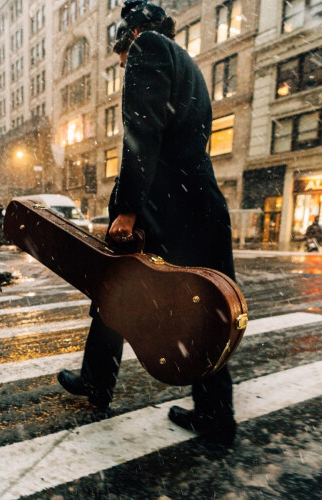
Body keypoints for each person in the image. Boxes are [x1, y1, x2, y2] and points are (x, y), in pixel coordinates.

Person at [58, 0, 237, 446]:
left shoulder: (148, 47)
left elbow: (142, 130)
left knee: (114, 284)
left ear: (129, 36)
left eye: (121, 58)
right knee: (206, 310)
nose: (123, 66)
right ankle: (216, 415)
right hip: (198, 206)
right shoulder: (188, 63)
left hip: (167, 208)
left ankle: (98, 381)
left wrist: (129, 207)